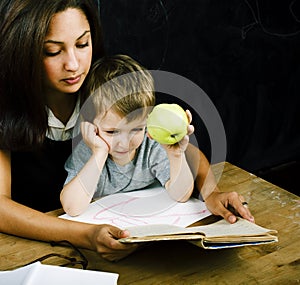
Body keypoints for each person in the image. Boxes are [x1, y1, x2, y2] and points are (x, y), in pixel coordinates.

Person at [0, 0, 254, 262]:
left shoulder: (106, 89)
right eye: (52, 51)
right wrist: (84, 235)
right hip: (34, 247)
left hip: (120, 240)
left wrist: (211, 192)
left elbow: (183, 152)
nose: (73, 64)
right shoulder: (7, 107)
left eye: (82, 44)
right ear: (24, 52)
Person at [60, 54, 195, 216]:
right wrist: (99, 153)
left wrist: (176, 155)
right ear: (89, 125)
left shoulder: (151, 144)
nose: (124, 143)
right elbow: (71, 207)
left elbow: (181, 195)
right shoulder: (89, 150)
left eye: (137, 129)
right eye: (111, 132)